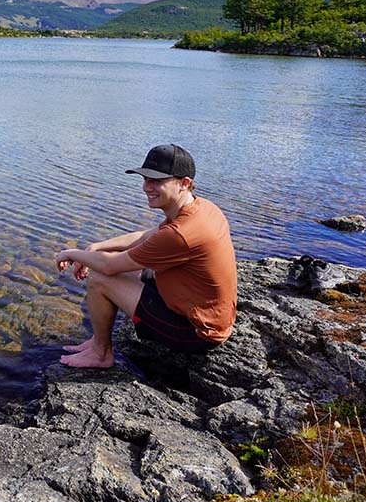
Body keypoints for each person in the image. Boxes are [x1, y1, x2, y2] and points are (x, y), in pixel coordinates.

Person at [55, 144, 237, 368]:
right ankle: (98, 340)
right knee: (124, 266)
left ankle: (101, 354)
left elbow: (109, 267)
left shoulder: (181, 234)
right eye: (145, 179)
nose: (146, 187)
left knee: (100, 278)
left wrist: (72, 253)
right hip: (209, 313)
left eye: (156, 181)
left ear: (184, 183)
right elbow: (144, 237)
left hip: (196, 332)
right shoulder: (201, 208)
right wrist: (95, 247)